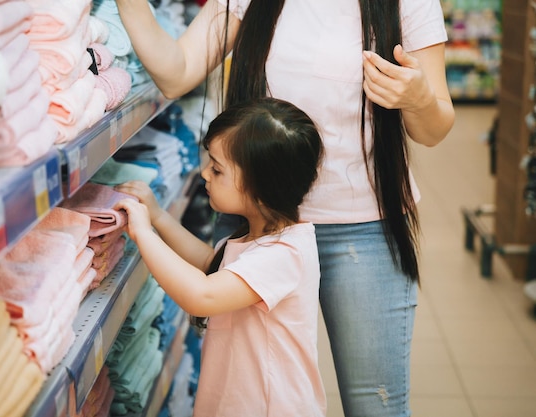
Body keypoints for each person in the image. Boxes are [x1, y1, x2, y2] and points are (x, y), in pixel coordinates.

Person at [114, 0, 456, 415]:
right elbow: (178, 72)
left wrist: (418, 99)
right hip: (256, 220)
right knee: (245, 377)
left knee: (375, 406)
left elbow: (434, 129)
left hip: (363, 228)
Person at [114, 97, 327, 416]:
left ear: (262, 184)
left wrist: (143, 233)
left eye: (216, 168)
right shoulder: (258, 236)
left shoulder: (285, 254)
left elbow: (202, 295)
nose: (204, 173)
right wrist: (158, 217)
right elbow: (209, 263)